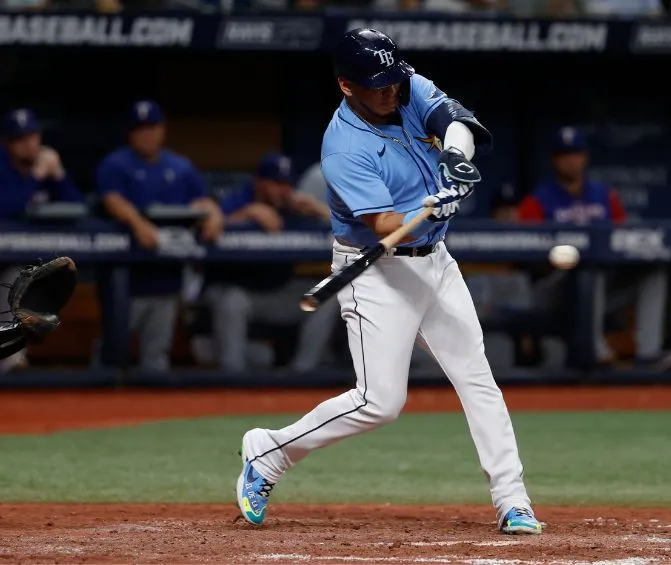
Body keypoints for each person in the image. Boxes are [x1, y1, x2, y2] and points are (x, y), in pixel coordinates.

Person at [235, 28, 542, 536]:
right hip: (376, 272)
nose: (389, 91)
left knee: (476, 376)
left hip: (436, 261)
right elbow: (383, 227)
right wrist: (426, 207)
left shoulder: (405, 83)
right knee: (380, 402)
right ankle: (268, 452)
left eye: (393, 81)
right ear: (345, 86)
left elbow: (455, 121)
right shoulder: (342, 148)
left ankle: (513, 500)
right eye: (376, 85)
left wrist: (455, 159)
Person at [517, 126, 671, 370]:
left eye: (575, 153)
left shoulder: (605, 197)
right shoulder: (537, 202)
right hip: (555, 288)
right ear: (554, 160)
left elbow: (622, 241)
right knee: (588, 265)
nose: (570, 160)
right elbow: (522, 252)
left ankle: (649, 353)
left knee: (652, 270)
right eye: (564, 154)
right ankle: (595, 350)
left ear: (584, 157)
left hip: (600, 287)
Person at [97, 99, 224, 372]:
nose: (147, 134)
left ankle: (145, 413)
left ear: (162, 130)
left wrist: (213, 214)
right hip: (126, 280)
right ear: (130, 132)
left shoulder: (180, 167)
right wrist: (138, 223)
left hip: (165, 276)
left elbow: (203, 200)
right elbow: (111, 199)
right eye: (140, 128)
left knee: (156, 357)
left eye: (152, 127)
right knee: (111, 351)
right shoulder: (116, 164)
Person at [199, 151, 340, 373]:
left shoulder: (293, 207)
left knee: (328, 294)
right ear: (258, 182)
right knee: (232, 301)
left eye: (286, 184)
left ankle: (302, 372)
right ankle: (231, 376)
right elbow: (210, 229)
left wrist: (317, 210)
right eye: (275, 183)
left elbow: (349, 233)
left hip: (276, 293)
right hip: (234, 293)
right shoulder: (236, 200)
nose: (282, 190)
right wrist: (246, 214)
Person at [0, 108, 84, 371]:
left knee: (27, 277)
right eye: (20, 138)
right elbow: (7, 207)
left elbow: (78, 207)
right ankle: (12, 362)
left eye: (33, 136)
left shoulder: (48, 170)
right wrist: (36, 177)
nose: (29, 143)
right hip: (3, 261)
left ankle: (13, 363)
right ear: (8, 143)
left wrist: (58, 175)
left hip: (28, 262)